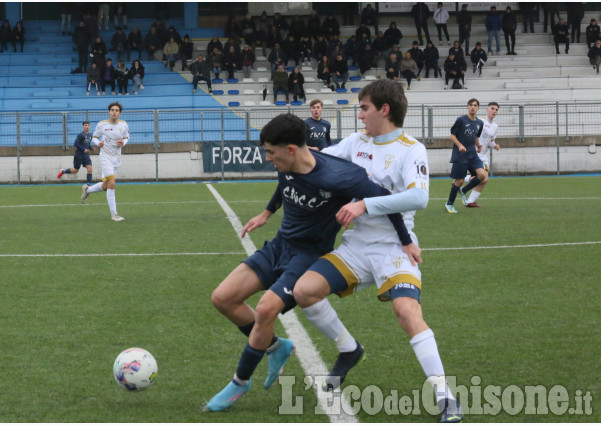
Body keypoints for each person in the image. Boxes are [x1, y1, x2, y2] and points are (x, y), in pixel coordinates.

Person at [205, 112, 413, 412]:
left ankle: (240, 382)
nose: (268, 159)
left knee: (265, 309)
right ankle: (277, 348)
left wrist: (406, 241)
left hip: (307, 257)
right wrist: (267, 212)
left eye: (271, 153)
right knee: (222, 298)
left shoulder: (343, 176)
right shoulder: (286, 163)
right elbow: (284, 184)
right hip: (279, 246)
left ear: (291, 149)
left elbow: (385, 200)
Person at [292, 78, 462, 423]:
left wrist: (364, 204)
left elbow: (418, 198)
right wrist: (289, 151)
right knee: (304, 291)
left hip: (394, 249)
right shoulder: (357, 142)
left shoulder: (411, 148)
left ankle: (445, 396)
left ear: (385, 110)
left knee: (406, 312)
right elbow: (319, 161)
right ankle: (348, 349)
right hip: (356, 248)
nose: (359, 116)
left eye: (364, 108)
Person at [81, 102, 129, 222]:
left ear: (120, 113)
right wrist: (98, 143)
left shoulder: (124, 125)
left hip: (116, 158)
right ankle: (114, 214)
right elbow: (95, 137)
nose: (114, 112)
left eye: (116, 110)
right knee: (112, 184)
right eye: (112, 110)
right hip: (105, 157)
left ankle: (88, 190)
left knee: (106, 186)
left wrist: (123, 143)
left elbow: (127, 137)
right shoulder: (102, 124)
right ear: (109, 112)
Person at [444, 98, 485, 213]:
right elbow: (452, 135)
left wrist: (478, 145)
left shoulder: (479, 123)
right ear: (467, 107)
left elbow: (476, 135)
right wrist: (460, 145)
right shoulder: (461, 120)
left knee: (482, 175)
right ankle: (449, 204)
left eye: (475, 105)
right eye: (471, 105)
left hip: (472, 154)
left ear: (478, 108)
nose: (473, 107)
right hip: (461, 155)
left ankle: (463, 191)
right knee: (459, 181)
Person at [463, 102, 500, 207]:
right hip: (475, 153)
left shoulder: (495, 126)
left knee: (484, 179)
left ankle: (470, 201)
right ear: (487, 110)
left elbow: (491, 141)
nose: (494, 111)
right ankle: (460, 179)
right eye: (492, 108)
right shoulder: (480, 121)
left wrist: (495, 145)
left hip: (484, 155)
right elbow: (472, 134)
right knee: (483, 177)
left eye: (496, 110)